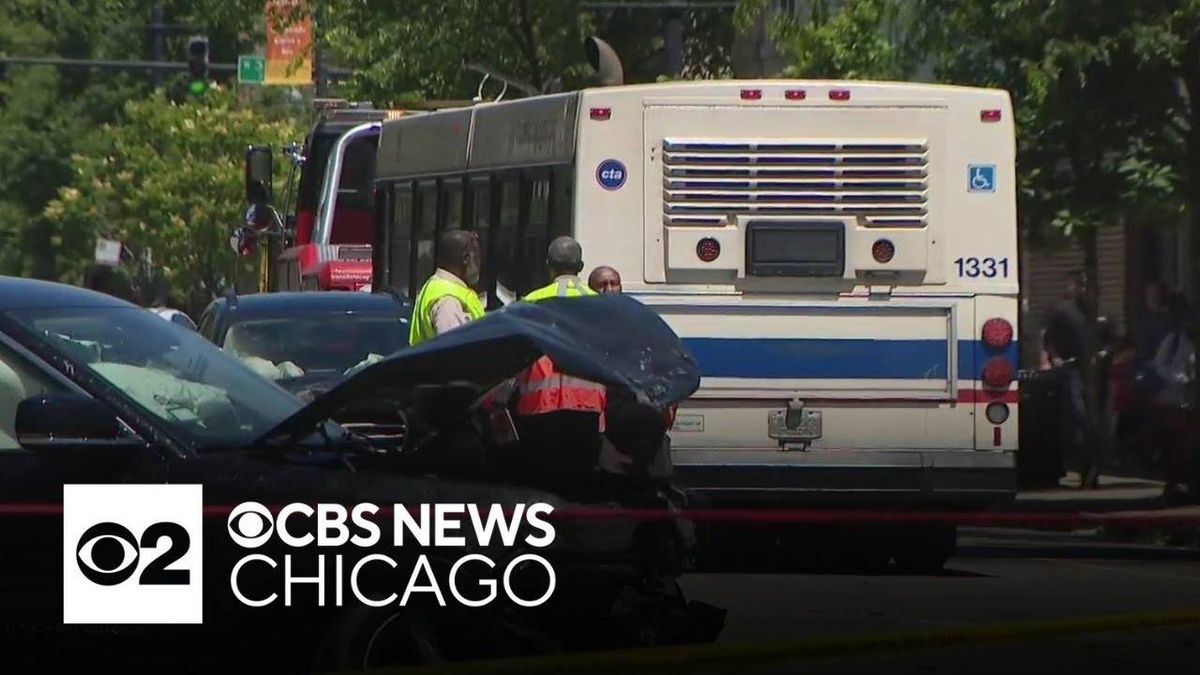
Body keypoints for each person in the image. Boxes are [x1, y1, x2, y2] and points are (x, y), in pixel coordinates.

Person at [504, 236, 630, 494]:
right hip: (587, 410)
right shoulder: (599, 306)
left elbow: (515, 360)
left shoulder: (531, 303)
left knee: (543, 488)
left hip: (539, 411)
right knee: (579, 487)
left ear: (549, 265)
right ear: (581, 266)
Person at [1041, 271, 1093, 487]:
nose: (1082, 290)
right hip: (1071, 369)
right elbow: (1048, 338)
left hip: (1093, 371)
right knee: (1077, 415)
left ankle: (1089, 469)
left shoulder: (1097, 312)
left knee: (1090, 419)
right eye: (1079, 286)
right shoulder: (1062, 311)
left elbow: (1113, 339)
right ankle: (1079, 465)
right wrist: (1054, 359)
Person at [1145, 292, 1196, 503]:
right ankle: (1173, 486)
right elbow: (1159, 367)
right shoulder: (1173, 340)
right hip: (1172, 403)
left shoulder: (1191, 341)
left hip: (1189, 405)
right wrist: (1183, 379)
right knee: (1178, 448)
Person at [408, 230, 485, 346]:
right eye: (477, 257)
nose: (480, 264)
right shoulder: (449, 301)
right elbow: (454, 352)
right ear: (466, 259)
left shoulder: (434, 285)